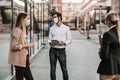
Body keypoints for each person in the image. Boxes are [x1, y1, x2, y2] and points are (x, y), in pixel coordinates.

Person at [8, 13, 34, 80]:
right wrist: (27, 45)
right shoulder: (17, 30)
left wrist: (26, 44)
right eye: (27, 19)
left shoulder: (22, 31)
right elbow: (13, 46)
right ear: (23, 20)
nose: (29, 20)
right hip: (19, 61)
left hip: (24, 60)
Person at [48, 12, 72, 80]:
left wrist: (64, 43)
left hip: (62, 51)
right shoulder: (51, 28)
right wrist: (51, 43)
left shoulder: (66, 28)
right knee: (52, 69)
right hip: (52, 50)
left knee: (64, 69)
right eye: (53, 17)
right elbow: (49, 39)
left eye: (55, 17)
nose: (54, 19)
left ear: (59, 17)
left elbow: (69, 39)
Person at [97, 11, 120, 80]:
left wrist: (100, 49)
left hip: (108, 68)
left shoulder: (108, 34)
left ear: (108, 21)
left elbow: (104, 56)